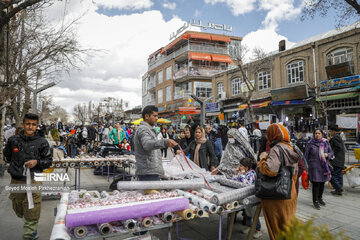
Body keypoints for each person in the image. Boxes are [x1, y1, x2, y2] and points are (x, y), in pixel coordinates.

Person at [4, 113, 52, 240]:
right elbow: (7, 156)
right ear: (23, 124)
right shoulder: (13, 140)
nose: (30, 127)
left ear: (37, 126)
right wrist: (16, 167)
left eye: (33, 124)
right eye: (28, 124)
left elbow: (48, 161)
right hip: (17, 179)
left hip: (34, 179)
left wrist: (37, 162)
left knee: (33, 206)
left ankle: (30, 232)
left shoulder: (42, 142)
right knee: (18, 206)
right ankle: (29, 221)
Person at [258, 123, 301, 240]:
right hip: (290, 191)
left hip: (276, 196)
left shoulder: (276, 149)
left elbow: (271, 170)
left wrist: (262, 159)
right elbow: (297, 172)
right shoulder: (291, 147)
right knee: (287, 224)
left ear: (273, 135)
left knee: (276, 228)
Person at [134, 105, 177, 181]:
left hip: (151, 172)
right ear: (147, 116)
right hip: (147, 173)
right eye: (154, 116)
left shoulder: (149, 129)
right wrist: (165, 142)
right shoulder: (143, 129)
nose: (157, 118)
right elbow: (147, 144)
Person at [232, 157, 262, 238]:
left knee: (252, 213)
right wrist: (236, 174)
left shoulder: (251, 174)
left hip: (250, 197)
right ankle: (249, 226)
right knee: (247, 213)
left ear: (246, 167)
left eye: (241, 165)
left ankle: (258, 229)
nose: (239, 166)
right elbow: (234, 180)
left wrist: (241, 175)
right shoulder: (243, 172)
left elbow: (247, 184)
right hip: (243, 196)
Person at [305, 129, 334, 210]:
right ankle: (315, 201)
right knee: (316, 184)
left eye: (319, 133)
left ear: (322, 134)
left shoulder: (326, 142)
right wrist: (306, 167)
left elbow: (331, 153)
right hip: (314, 167)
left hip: (323, 167)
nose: (317, 135)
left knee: (322, 183)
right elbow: (306, 156)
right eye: (316, 133)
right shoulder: (310, 143)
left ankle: (320, 198)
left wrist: (327, 154)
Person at [329, 125, 345, 196]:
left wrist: (332, 154)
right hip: (340, 160)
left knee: (332, 175)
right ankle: (339, 189)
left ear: (333, 131)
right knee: (339, 175)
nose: (330, 132)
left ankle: (338, 188)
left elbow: (338, 147)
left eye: (330, 131)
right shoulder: (338, 137)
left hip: (337, 160)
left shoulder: (335, 138)